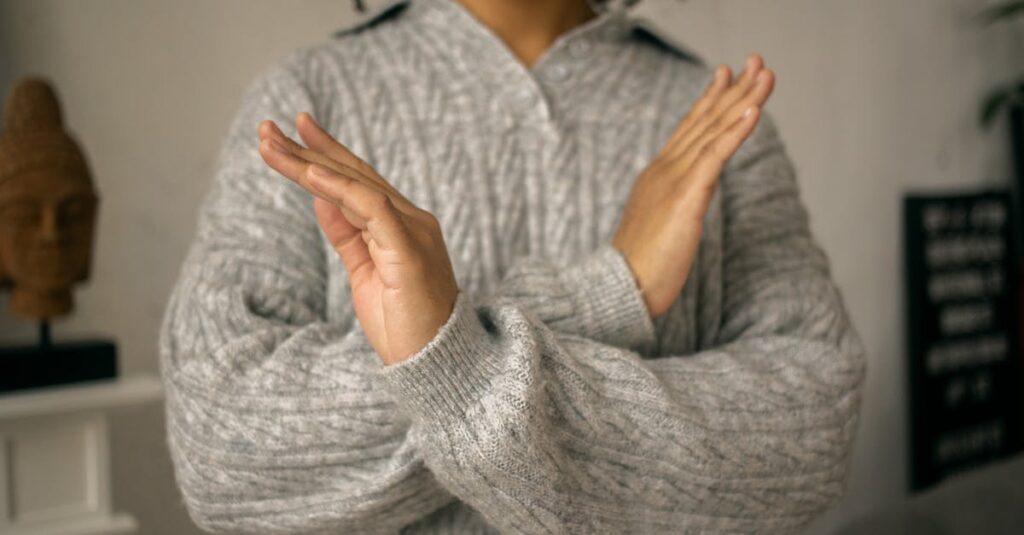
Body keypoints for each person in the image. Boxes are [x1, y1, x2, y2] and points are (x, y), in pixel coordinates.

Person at [159, 0, 868, 532]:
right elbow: (221, 443)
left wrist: (451, 363)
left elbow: (813, 422)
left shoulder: (716, 117)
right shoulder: (309, 99)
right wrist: (605, 293)